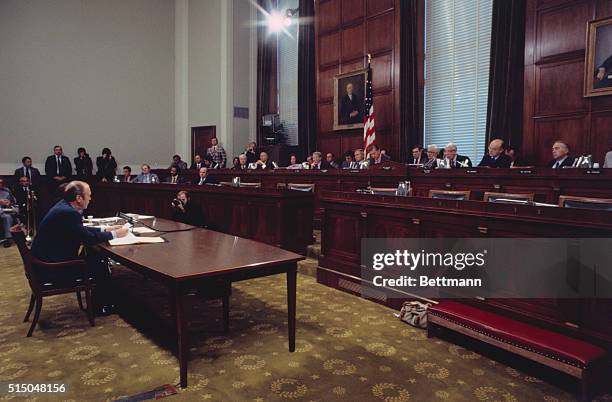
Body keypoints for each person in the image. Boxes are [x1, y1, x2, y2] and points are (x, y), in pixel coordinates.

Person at [31, 181, 128, 314]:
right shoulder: (69, 213)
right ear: (78, 198)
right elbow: (88, 238)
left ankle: (101, 302)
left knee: (95, 256)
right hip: (52, 268)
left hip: (45, 262)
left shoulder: (63, 207)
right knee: (99, 262)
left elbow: (80, 230)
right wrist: (115, 234)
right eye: (88, 195)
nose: (90, 198)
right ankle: (100, 307)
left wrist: (105, 228)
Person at [0, 179, 16, 248]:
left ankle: (8, 238)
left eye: (1, 183)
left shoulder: (6, 191)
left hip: (4, 211)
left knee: (8, 217)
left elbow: (13, 202)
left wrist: (9, 203)